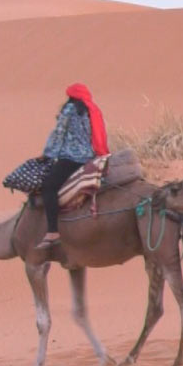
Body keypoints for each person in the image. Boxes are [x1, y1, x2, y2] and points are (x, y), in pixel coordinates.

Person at [35, 83, 109, 249]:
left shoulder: (69, 110)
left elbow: (58, 133)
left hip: (70, 158)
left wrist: (47, 154)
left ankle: (53, 231)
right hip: (89, 157)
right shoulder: (92, 110)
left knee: (48, 187)